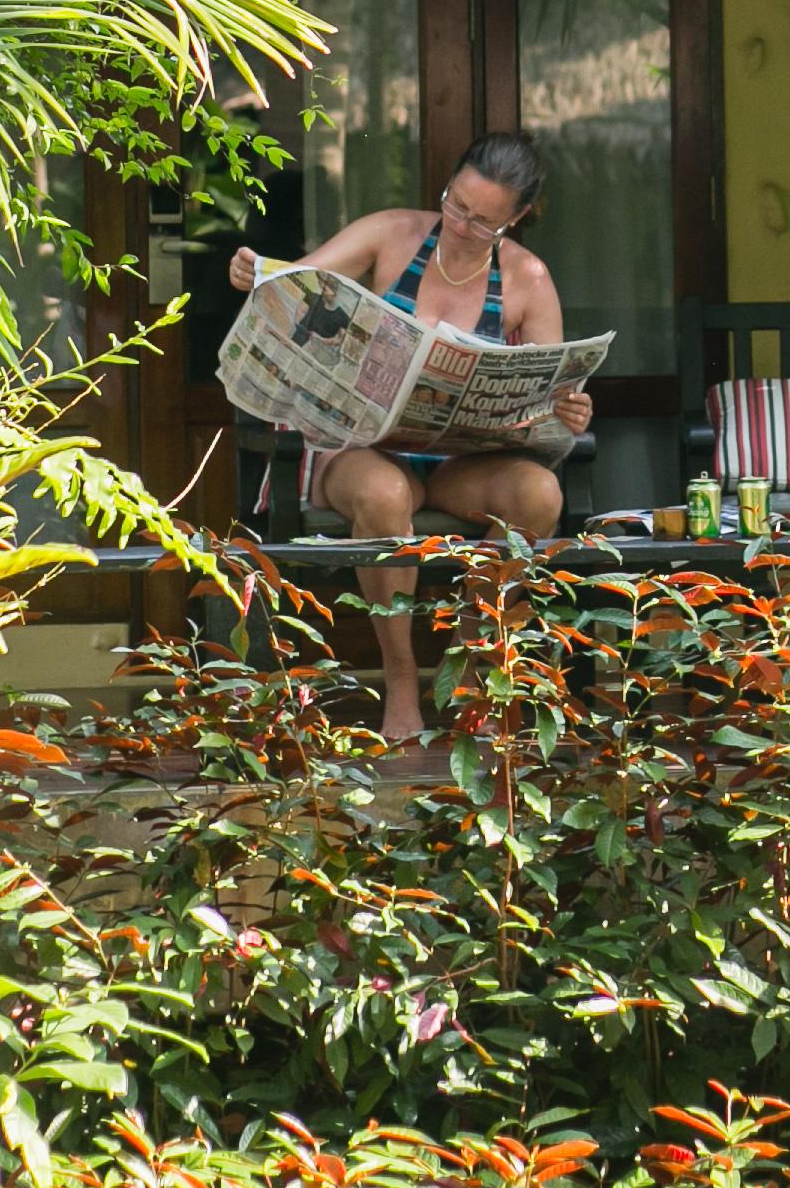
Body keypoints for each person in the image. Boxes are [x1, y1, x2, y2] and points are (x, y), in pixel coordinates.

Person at [227, 129, 591, 741]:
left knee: (540, 496)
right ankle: (401, 677)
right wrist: (257, 273)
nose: (461, 224)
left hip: (464, 464)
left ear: (517, 218)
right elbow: (298, 284)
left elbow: (550, 392)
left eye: (482, 223)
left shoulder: (528, 276)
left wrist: (566, 411)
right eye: (456, 205)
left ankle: (478, 666)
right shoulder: (393, 231)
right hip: (366, 447)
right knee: (384, 497)